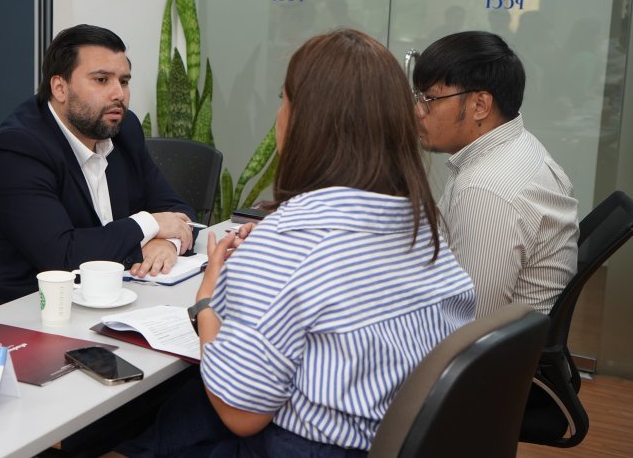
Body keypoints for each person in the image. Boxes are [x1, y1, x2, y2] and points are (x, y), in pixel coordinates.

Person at [114, 29, 475, 457]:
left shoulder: (288, 242)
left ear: (306, 124)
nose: (279, 114)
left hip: (309, 447)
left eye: (283, 100)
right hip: (394, 439)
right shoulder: (421, 225)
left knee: (158, 428)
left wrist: (206, 301)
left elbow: (241, 414)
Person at [0, 24, 197, 310]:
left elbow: (177, 211)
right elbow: (63, 255)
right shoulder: (19, 148)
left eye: (124, 81)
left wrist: (167, 243)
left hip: (111, 296)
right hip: (26, 309)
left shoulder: (123, 129)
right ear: (60, 88)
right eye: (101, 80)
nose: (119, 94)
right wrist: (150, 225)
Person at [412, 31, 579, 318]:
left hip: (492, 344)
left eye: (430, 98)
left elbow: (470, 320)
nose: (418, 111)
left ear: (480, 105)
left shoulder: (485, 190)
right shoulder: (516, 145)